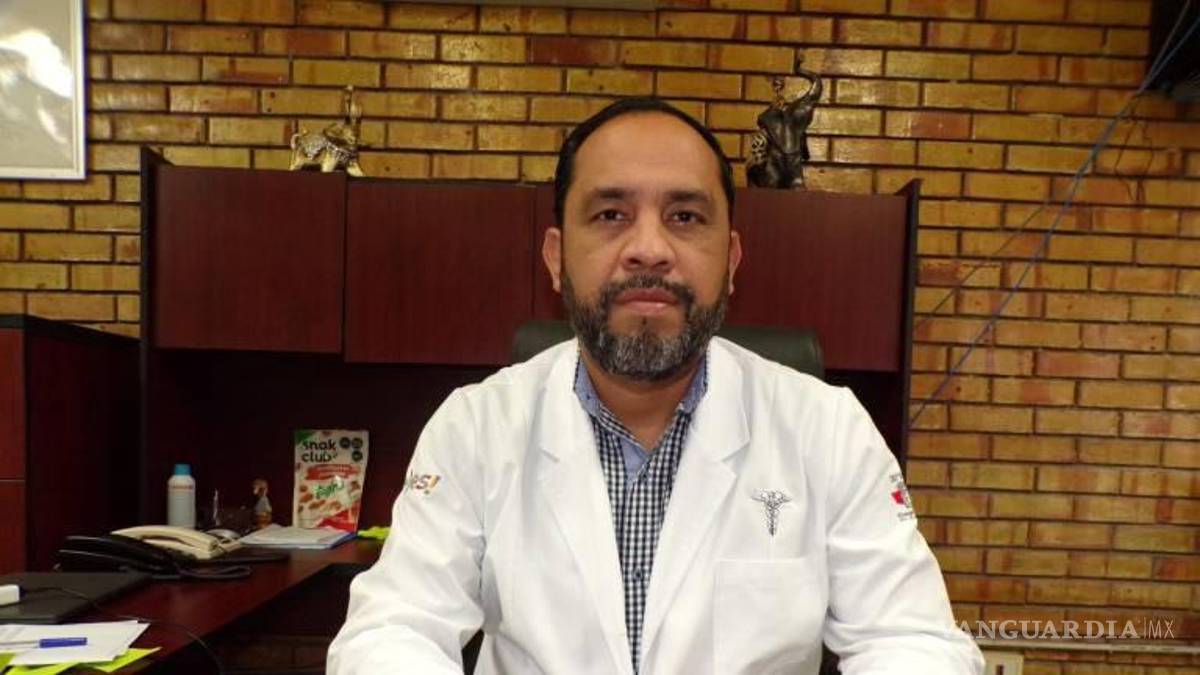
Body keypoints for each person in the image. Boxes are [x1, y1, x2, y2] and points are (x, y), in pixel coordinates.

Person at [327, 97, 983, 675]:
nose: (649, 248)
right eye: (611, 213)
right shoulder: (476, 426)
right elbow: (394, 629)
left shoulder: (828, 429)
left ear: (731, 260)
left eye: (686, 217)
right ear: (557, 258)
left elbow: (910, 639)